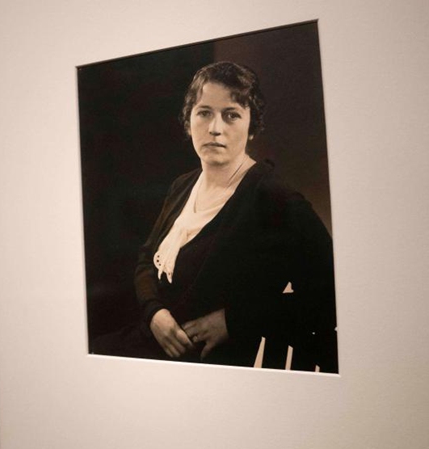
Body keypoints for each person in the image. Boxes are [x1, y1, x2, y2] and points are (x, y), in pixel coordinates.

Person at [92, 61, 338, 372]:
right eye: (204, 112)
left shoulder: (273, 198)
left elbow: (334, 293)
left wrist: (233, 320)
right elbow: (146, 260)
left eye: (231, 115)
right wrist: (155, 313)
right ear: (188, 120)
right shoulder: (183, 185)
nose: (215, 128)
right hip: (150, 346)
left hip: (204, 370)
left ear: (252, 126)